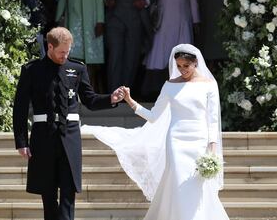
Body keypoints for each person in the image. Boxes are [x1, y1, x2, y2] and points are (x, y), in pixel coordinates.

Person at [82, 44, 229, 220]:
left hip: (199, 139)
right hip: (176, 140)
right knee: (178, 177)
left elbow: (212, 119)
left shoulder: (209, 85)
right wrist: (129, 100)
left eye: (186, 66)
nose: (182, 70)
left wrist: (212, 149)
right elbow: (152, 116)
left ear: (195, 63)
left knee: (197, 183)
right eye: (179, 66)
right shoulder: (169, 86)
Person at [13, 27, 124, 220]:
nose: (65, 55)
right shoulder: (32, 70)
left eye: (68, 51)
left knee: (68, 192)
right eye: (61, 52)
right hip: (43, 136)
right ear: (49, 47)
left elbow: (90, 100)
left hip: (70, 136)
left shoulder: (78, 69)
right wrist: (22, 142)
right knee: (47, 194)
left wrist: (111, 99)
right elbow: (20, 108)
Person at [141, 0, 201, 99]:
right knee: (160, 55)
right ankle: (155, 89)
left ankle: (181, 91)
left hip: (181, 19)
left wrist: (196, 20)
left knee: (175, 54)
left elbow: (192, 0)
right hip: (164, 19)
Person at [55, 0, 106, 92]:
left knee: (90, 61)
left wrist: (100, 20)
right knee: (72, 56)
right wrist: (58, 17)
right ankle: (71, 91)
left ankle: (90, 91)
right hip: (73, 18)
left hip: (91, 19)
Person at [104, 0, 152, 92]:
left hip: (137, 15)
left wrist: (146, 0)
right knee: (115, 55)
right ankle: (113, 93)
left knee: (131, 57)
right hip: (114, 16)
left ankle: (125, 93)